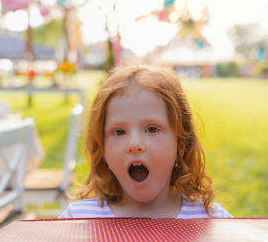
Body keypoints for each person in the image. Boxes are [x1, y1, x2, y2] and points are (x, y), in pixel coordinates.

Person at [59, 63, 232, 219]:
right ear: (102, 149)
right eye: (119, 132)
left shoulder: (213, 221)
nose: (134, 145)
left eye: (152, 129)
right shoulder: (78, 219)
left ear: (181, 143)